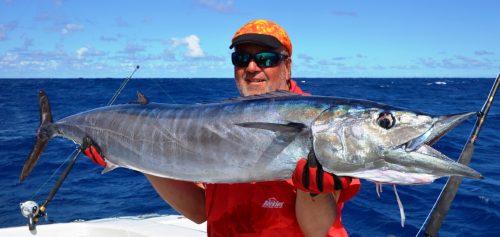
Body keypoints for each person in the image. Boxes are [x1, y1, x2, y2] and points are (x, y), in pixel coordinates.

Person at [84, 19, 360, 237]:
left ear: (287, 65)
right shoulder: (221, 124)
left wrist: (311, 189)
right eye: (241, 59)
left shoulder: (324, 123)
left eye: (265, 59)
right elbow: (199, 210)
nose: (251, 67)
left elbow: (316, 231)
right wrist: (131, 154)